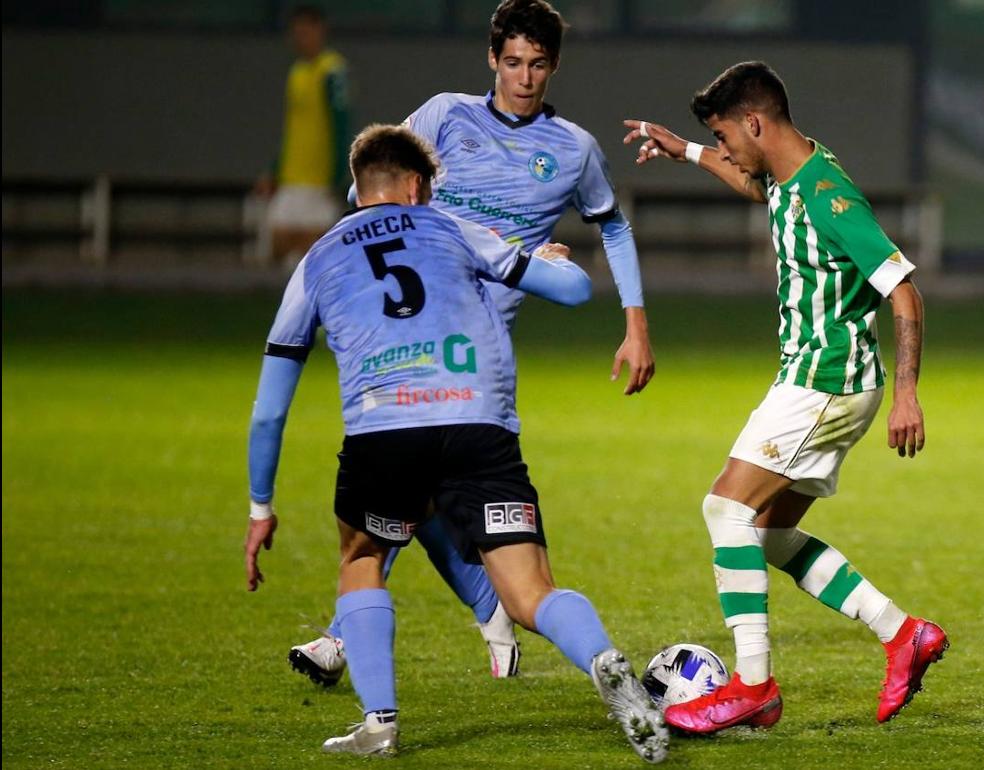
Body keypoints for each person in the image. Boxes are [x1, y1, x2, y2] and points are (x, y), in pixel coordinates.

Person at [244, 124, 668, 762]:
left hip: (383, 431)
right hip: (478, 427)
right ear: (417, 186)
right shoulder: (451, 227)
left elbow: (270, 410)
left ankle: (379, 723)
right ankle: (606, 662)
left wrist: (260, 506)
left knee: (361, 561)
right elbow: (576, 292)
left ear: (361, 190)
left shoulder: (318, 258)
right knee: (530, 592)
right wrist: (551, 263)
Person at [288, 0, 656, 686]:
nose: (524, 77)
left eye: (538, 64)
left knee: (411, 476)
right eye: (512, 62)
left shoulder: (572, 148)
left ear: (554, 66)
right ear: (492, 59)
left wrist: (635, 324)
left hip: (479, 348)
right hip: (410, 331)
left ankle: (353, 633)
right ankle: (479, 602)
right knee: (417, 483)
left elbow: (614, 227)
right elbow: (375, 200)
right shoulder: (442, 116)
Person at [622, 61, 948, 732]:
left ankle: (753, 686)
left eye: (723, 134)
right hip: (819, 381)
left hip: (822, 383)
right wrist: (683, 150)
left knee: (724, 510)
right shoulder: (794, 169)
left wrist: (908, 395)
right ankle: (902, 632)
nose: (726, 148)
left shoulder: (829, 195)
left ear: (754, 122)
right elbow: (754, 184)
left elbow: (904, 288)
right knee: (768, 533)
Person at [255, 5, 351, 265]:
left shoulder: (332, 70)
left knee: (316, 251)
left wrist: (338, 173)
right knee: (275, 245)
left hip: (318, 179)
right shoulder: (296, 72)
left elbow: (342, 124)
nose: (301, 38)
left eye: (307, 31)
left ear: (321, 31)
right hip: (291, 176)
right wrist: (274, 170)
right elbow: (293, 129)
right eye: (297, 32)